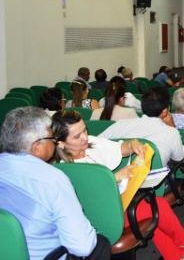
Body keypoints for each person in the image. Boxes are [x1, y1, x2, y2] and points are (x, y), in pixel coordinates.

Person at [52, 110, 184, 260]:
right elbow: (90, 201)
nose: (85, 137)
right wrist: (115, 178)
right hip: (99, 219)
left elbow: (120, 148)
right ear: (61, 143)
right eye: (77, 136)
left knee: (150, 211)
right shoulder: (63, 170)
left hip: (115, 205)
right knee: (157, 205)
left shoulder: (91, 143)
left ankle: (176, 255)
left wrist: (132, 144)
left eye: (84, 130)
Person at [0, 107, 110, 260]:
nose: (54, 143)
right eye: (51, 139)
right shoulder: (52, 179)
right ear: (36, 147)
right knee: (100, 244)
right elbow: (82, 247)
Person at [99, 87, 184, 166]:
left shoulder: (120, 124)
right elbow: (179, 158)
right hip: (155, 182)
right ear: (165, 112)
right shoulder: (171, 133)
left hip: (119, 180)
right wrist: (172, 127)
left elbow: (96, 143)